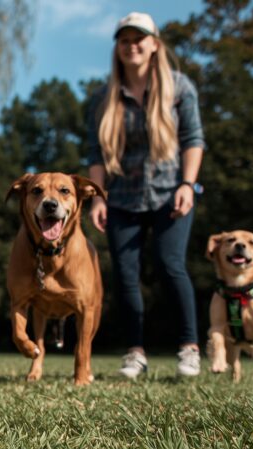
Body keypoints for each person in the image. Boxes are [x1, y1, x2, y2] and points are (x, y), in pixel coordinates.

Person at [86, 12, 205, 379]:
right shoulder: (104, 97)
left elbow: (193, 140)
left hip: (171, 193)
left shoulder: (180, 87)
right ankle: (134, 353)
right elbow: (96, 155)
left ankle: (189, 348)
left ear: (155, 45)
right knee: (124, 275)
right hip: (121, 198)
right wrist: (99, 197)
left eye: (140, 39)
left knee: (171, 265)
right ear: (118, 47)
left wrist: (188, 185)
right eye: (125, 39)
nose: (132, 45)